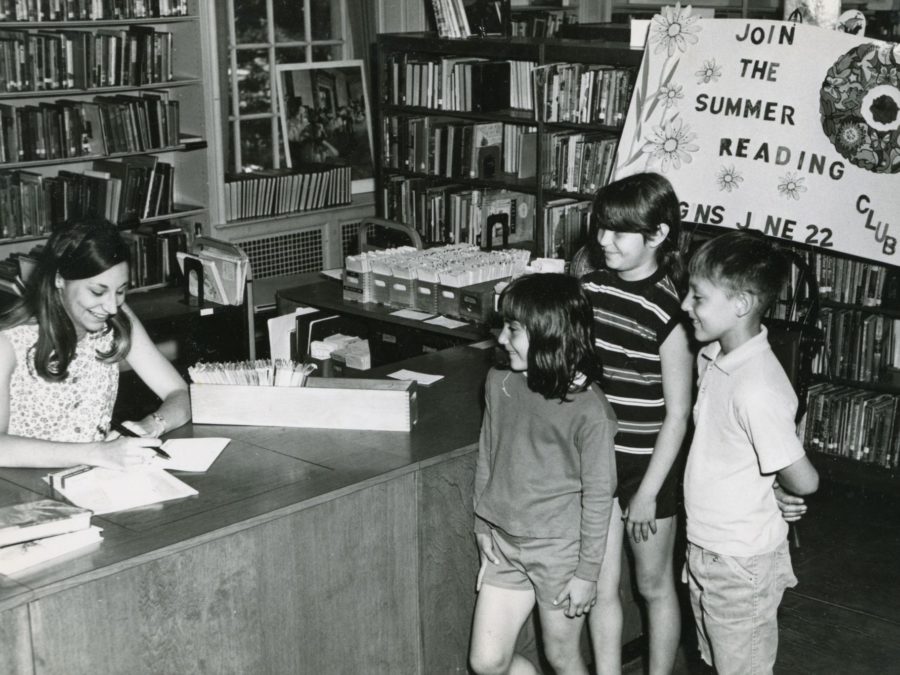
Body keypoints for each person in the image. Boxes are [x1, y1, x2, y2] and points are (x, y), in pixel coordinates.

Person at [680, 230, 819, 675]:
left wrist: (782, 483)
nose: (685, 305)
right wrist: (771, 484)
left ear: (740, 304)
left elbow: (805, 479)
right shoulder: (712, 357)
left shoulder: (756, 387)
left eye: (698, 297)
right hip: (707, 545)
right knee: (718, 661)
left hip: (740, 561)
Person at [469, 273, 617, 675]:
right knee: (487, 662)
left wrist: (587, 574)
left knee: (562, 657)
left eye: (513, 329)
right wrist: (482, 524)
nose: (502, 338)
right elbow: (488, 455)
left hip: (559, 552)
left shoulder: (590, 409)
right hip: (504, 543)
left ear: (549, 333)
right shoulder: (499, 382)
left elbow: (599, 498)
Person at [580, 173, 693, 675]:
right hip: (597, 461)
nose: (604, 240)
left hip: (649, 468)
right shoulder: (588, 291)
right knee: (601, 584)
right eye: (601, 227)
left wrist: (647, 493)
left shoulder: (672, 310)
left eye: (619, 231)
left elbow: (678, 414)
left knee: (652, 585)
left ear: (658, 234)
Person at [0, 218, 191, 469]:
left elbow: (179, 394)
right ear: (59, 279)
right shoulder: (9, 341)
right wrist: (98, 453)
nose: (111, 306)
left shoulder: (117, 318)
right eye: (97, 292)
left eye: (120, 291)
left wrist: (151, 426)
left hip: (94, 477)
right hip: (23, 485)